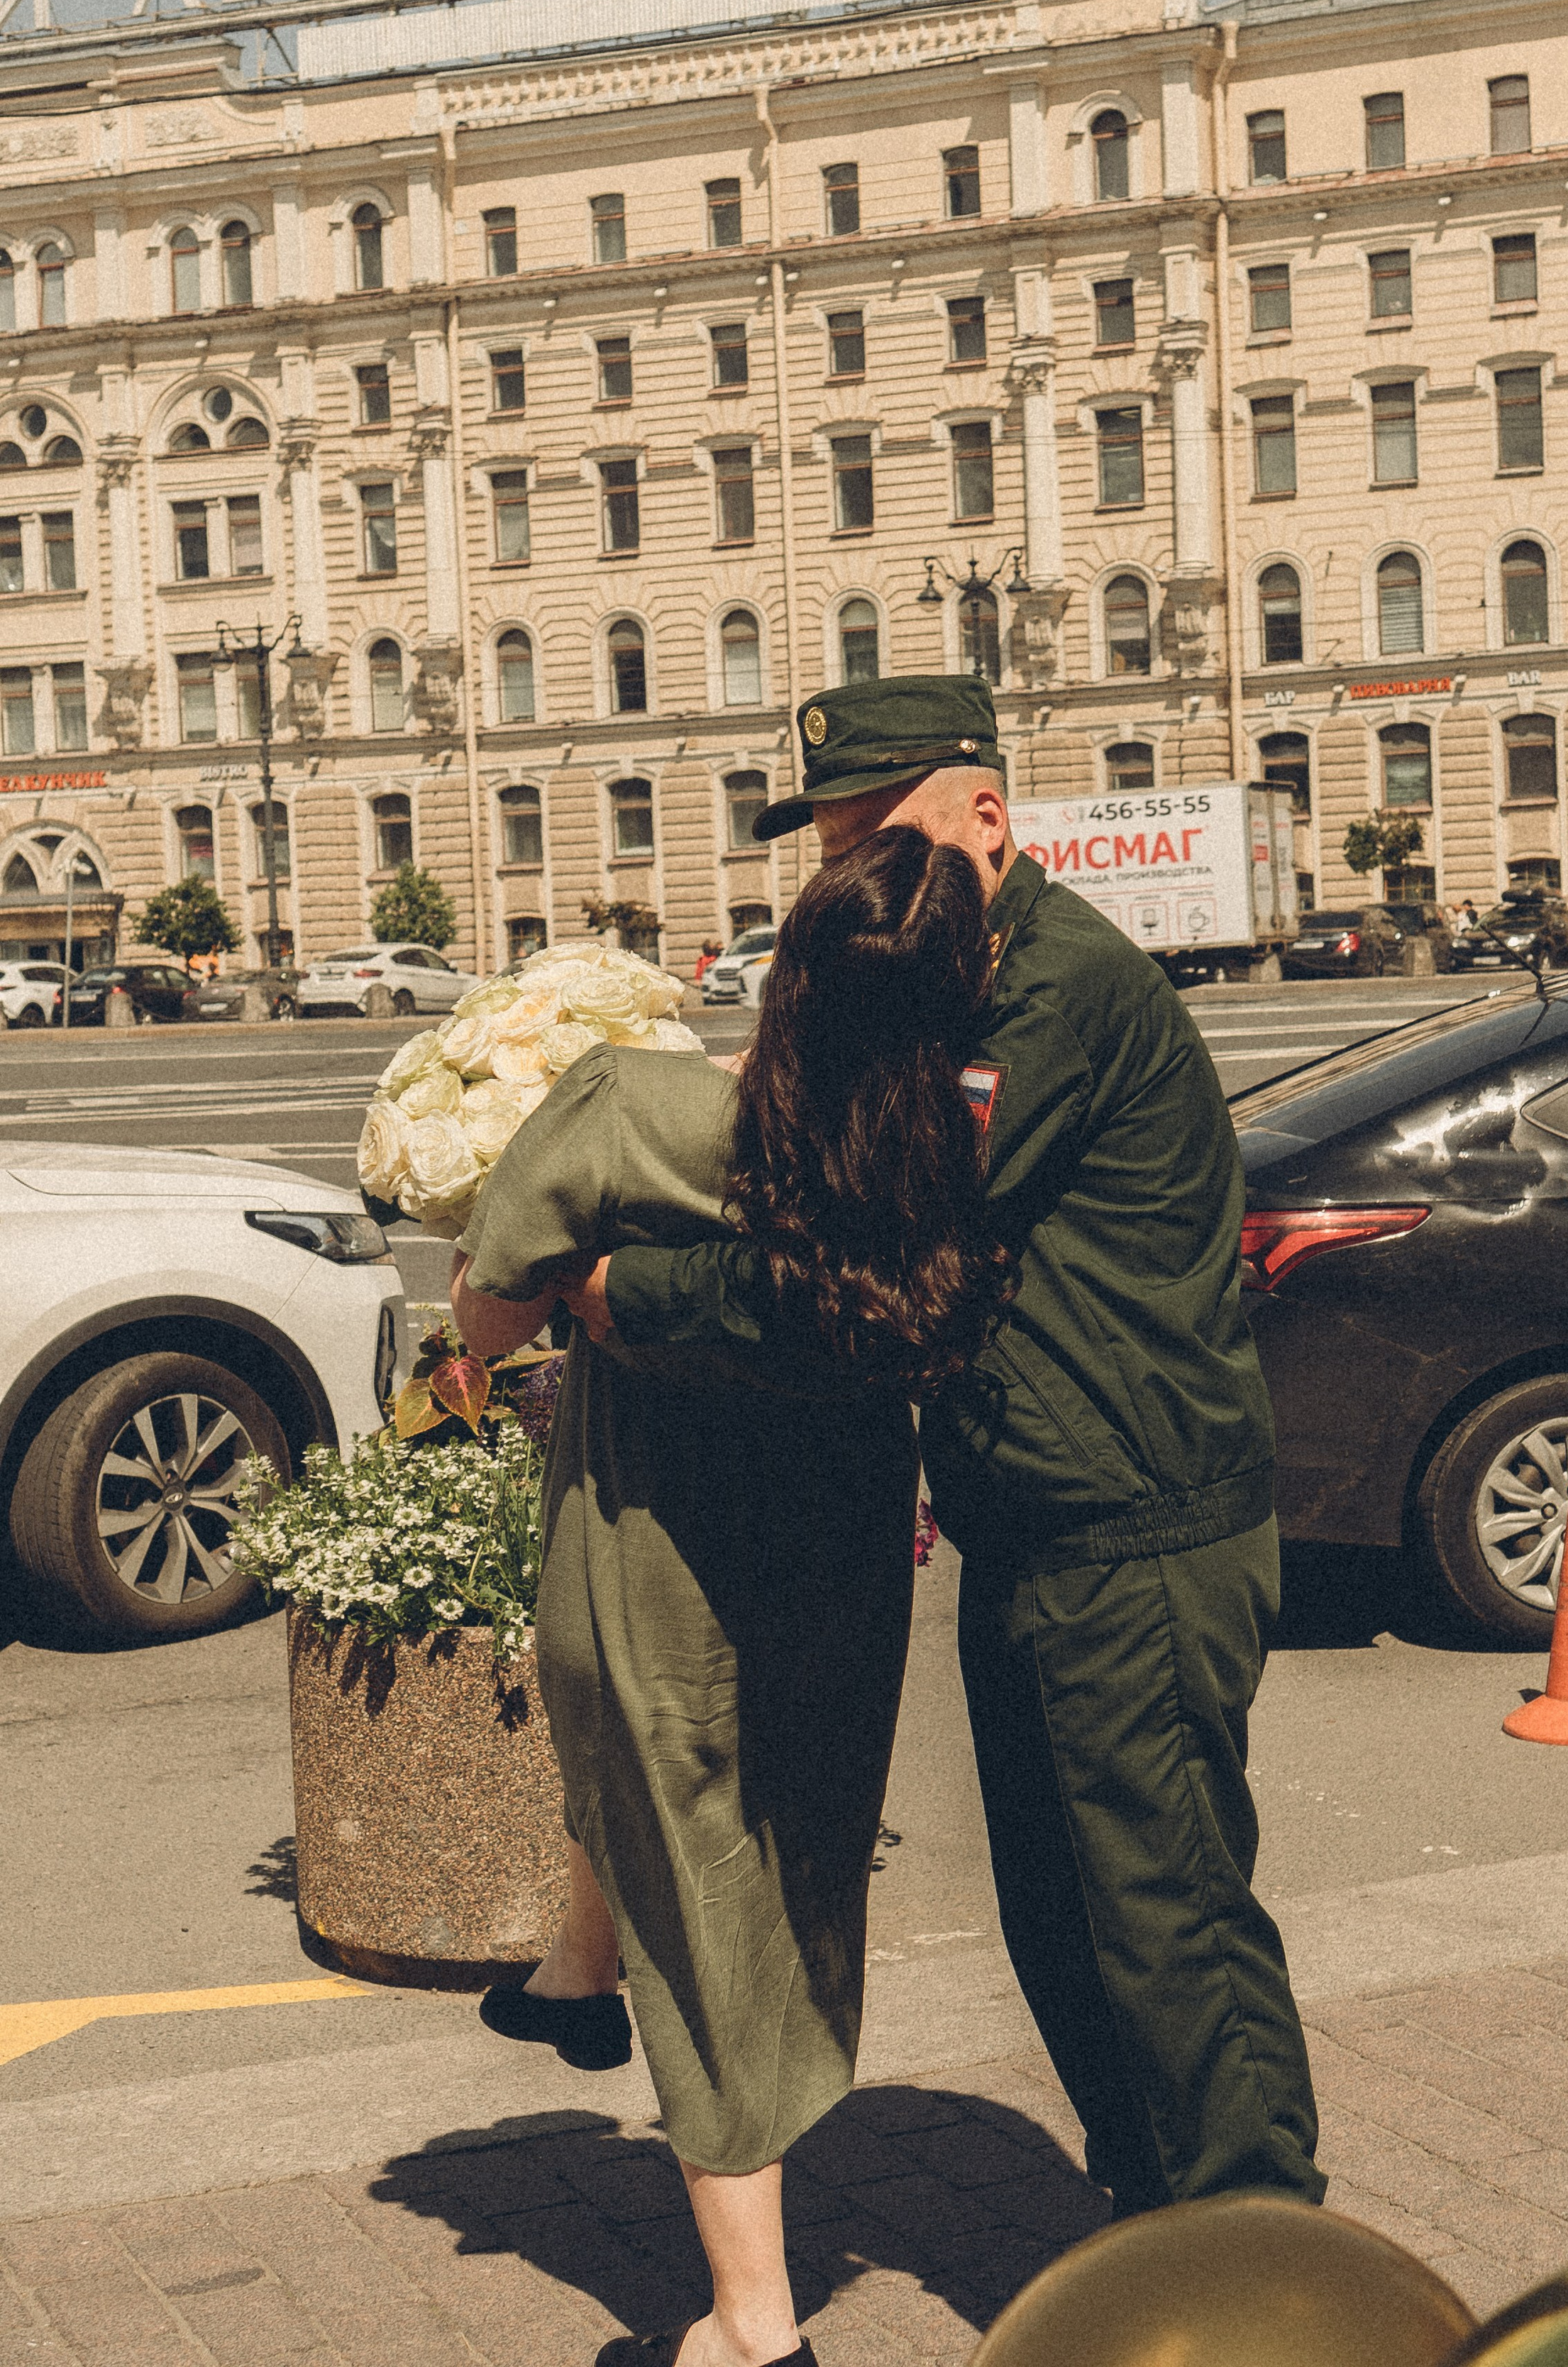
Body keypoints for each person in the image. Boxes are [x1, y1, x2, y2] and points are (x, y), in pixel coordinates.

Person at [587, 675, 1325, 2219]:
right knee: (1062, 1917)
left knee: (1166, 1916)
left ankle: (1267, 2266)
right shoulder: (950, 987)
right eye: (834, 851)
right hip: (1043, 1525)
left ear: (986, 819)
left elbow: (874, 1255)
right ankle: (1153, 2226)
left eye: (879, 838)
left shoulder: (1043, 995)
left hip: (1135, 1529)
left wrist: (623, 1292)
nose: (853, 877)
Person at [451, 827, 1013, 2367]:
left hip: (651, 1561)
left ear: (782, 977)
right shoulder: (950, 1157)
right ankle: (578, 1971)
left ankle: (754, 2328)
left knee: (700, 1897)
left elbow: (483, 1311)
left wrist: (573, 1290)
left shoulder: (630, 1109)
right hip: (836, 1571)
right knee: (772, 1850)